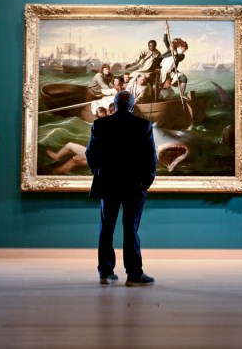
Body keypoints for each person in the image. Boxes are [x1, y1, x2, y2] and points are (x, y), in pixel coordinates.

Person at [86, 91, 157, 286]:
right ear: (132, 106)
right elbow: (150, 157)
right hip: (134, 185)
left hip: (108, 183)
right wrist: (146, 182)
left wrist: (97, 173)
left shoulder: (100, 125)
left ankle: (105, 272)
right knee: (131, 228)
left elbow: (91, 154)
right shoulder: (143, 125)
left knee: (106, 228)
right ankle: (134, 274)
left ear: (115, 105)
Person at [158, 22, 189, 98]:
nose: (184, 51)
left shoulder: (181, 55)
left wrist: (174, 52)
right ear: (180, 47)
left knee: (184, 78)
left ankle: (182, 94)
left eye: (184, 51)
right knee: (160, 85)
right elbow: (165, 40)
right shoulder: (170, 50)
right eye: (183, 49)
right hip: (162, 70)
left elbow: (178, 58)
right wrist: (166, 30)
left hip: (171, 72)